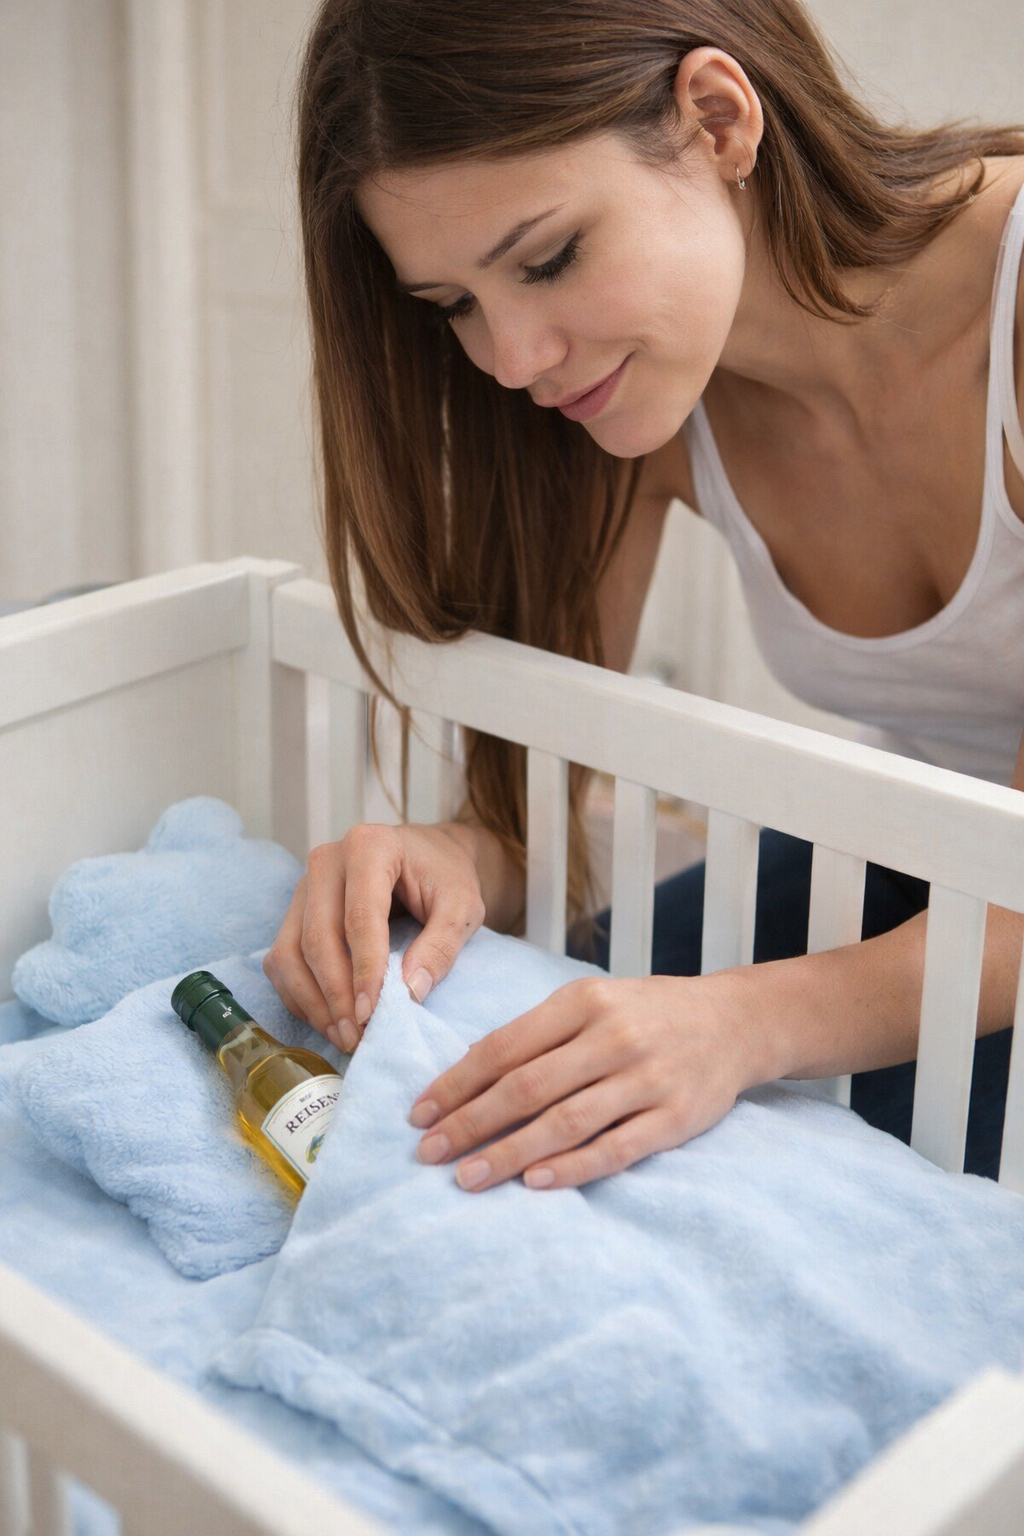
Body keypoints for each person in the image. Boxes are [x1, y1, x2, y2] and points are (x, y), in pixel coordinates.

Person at [264, 0, 1024, 1194]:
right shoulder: (627, 391)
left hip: (998, 902)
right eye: (454, 306)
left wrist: (738, 1026)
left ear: (717, 121)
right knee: (501, 1077)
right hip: (935, 866)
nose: (512, 359)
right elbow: (545, 800)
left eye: (548, 259)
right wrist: (448, 850)